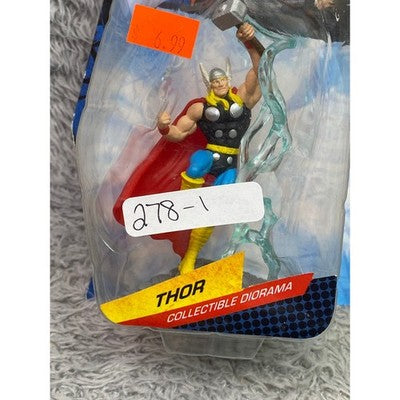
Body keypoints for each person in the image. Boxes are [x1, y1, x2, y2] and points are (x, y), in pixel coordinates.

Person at [113, 23, 261, 274]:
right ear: (209, 84)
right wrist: (163, 127)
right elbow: (178, 134)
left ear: (228, 79)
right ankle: (183, 213)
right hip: (209, 155)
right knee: (196, 166)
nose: (219, 84)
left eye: (222, 80)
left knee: (217, 205)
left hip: (230, 163)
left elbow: (261, 68)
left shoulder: (244, 99)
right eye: (215, 82)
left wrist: (250, 41)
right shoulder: (200, 108)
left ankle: (190, 256)